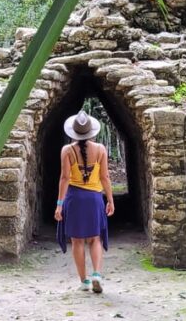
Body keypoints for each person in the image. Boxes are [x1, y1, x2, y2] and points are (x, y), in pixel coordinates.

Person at [55, 110, 115, 293]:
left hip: (74, 199)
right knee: (95, 238)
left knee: (77, 241)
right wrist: (110, 200)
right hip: (94, 199)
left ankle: (84, 281)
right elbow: (104, 177)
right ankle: (97, 273)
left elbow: (65, 178)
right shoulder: (100, 150)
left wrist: (59, 205)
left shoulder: (67, 150)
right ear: (91, 131)